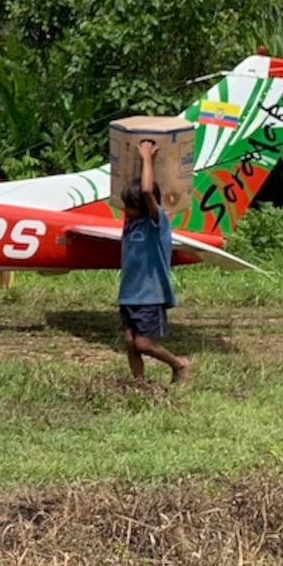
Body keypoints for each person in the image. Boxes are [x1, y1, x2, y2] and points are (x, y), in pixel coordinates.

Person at [119, 139, 191, 385]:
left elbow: (147, 191)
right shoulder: (130, 223)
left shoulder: (156, 223)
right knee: (130, 342)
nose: (124, 210)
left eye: (130, 206)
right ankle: (139, 383)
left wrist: (146, 158)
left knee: (143, 342)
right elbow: (138, 190)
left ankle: (178, 363)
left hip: (150, 295)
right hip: (128, 295)